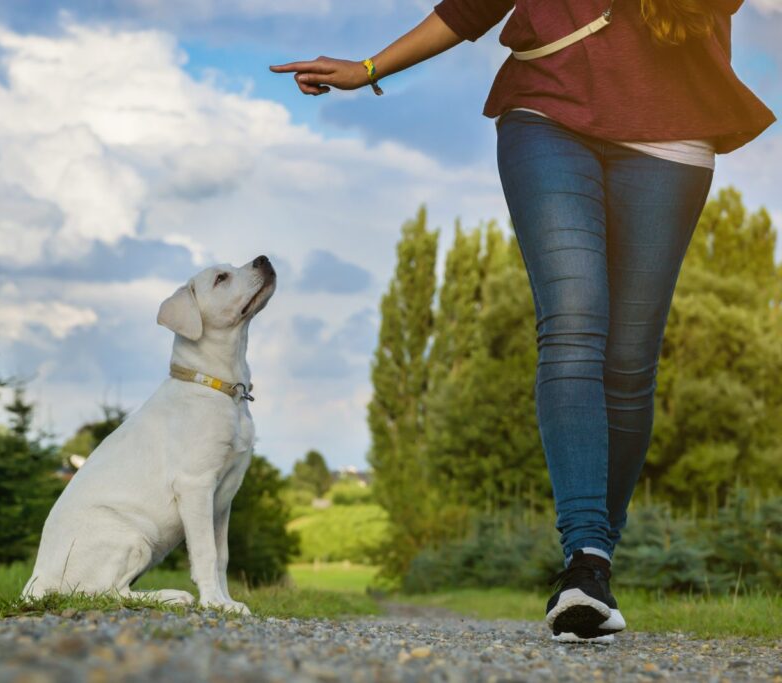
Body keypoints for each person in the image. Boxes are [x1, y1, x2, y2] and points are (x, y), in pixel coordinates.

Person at [270, 0, 775, 643]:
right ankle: (584, 560)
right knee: (571, 320)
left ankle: (597, 561)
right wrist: (368, 67)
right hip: (548, 111)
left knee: (629, 359)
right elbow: (471, 9)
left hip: (670, 129)